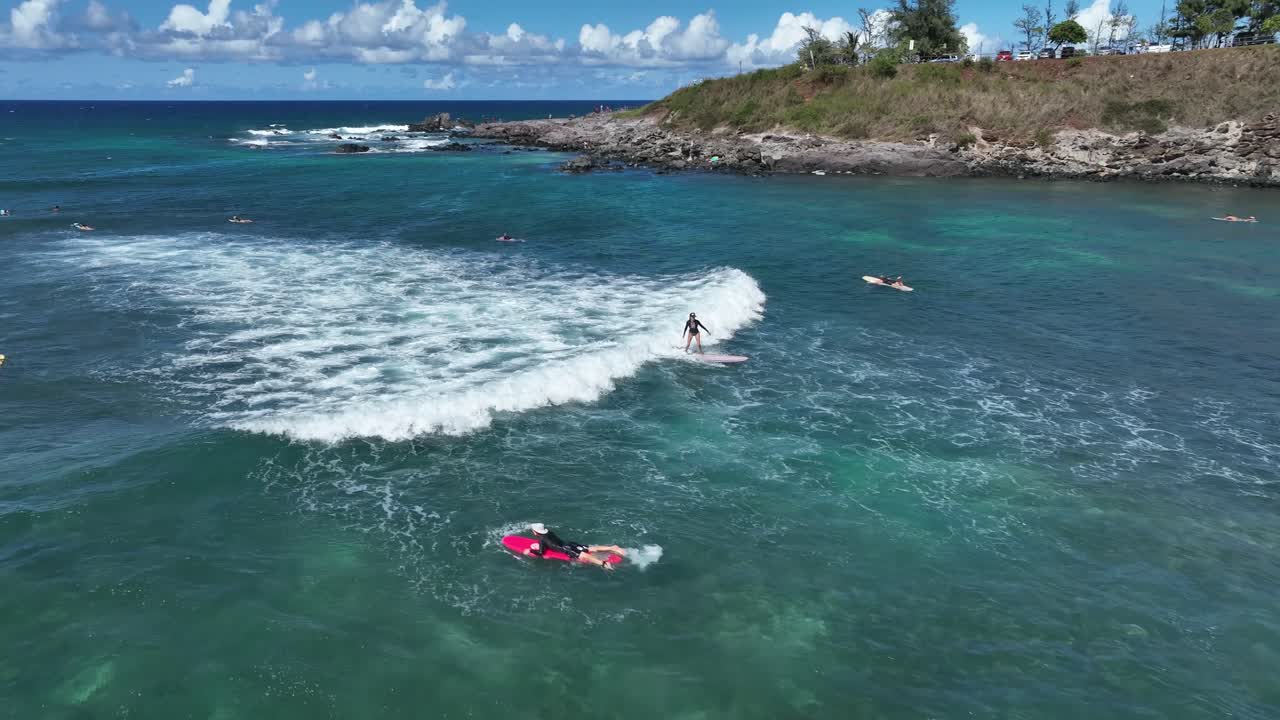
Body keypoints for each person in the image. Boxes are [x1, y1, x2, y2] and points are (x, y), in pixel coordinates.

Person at [524, 523, 625, 571]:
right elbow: (551, 542)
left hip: (566, 549)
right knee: (590, 548)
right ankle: (611, 548)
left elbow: (541, 552)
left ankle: (603, 564)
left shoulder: (541, 539)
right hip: (569, 543)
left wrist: (530, 551)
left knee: (583, 555)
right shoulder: (549, 532)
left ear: (535, 532)